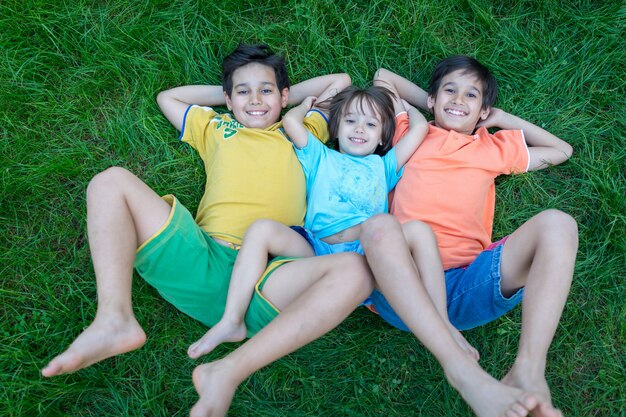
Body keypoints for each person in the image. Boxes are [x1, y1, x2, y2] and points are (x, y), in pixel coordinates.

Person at [360, 56, 577, 417]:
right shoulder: (411, 134)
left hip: (466, 284)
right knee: (383, 233)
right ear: (431, 99)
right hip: (401, 284)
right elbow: (384, 77)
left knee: (559, 224)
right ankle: (454, 352)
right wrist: (429, 103)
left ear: (484, 110)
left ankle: (529, 370)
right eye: (450, 91)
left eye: (471, 95)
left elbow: (562, 151)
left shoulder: (492, 147)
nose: (459, 100)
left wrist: (501, 119)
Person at [187, 85, 430, 358]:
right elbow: (291, 122)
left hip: (366, 256)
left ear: (383, 136)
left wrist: (405, 108)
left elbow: (419, 131)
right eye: (350, 121)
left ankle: (436, 317)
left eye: (371, 124)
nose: (360, 128)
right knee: (261, 229)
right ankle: (232, 319)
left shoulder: (385, 165)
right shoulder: (319, 155)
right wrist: (307, 105)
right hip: (315, 253)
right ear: (335, 129)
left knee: (418, 233)